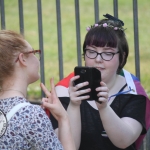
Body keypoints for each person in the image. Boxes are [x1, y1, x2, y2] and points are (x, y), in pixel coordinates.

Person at [49, 14, 150, 150]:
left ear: (122, 57)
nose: (98, 59)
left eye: (108, 53)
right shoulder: (64, 91)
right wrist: (74, 105)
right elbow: (67, 147)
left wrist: (103, 108)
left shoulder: (132, 92)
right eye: (92, 51)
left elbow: (124, 141)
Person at [0, 30, 75, 150]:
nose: (37, 58)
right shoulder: (31, 116)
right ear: (22, 59)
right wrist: (63, 118)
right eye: (34, 52)